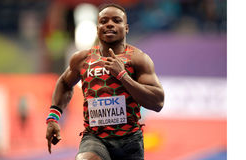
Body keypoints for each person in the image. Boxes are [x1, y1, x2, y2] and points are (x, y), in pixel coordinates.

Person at [45, 3, 165, 160]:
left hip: (129, 140)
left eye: (116, 20)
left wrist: (122, 75)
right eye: (104, 21)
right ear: (97, 28)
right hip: (95, 138)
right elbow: (64, 83)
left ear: (126, 28)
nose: (109, 24)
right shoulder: (82, 59)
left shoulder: (138, 59)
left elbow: (157, 102)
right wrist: (53, 118)